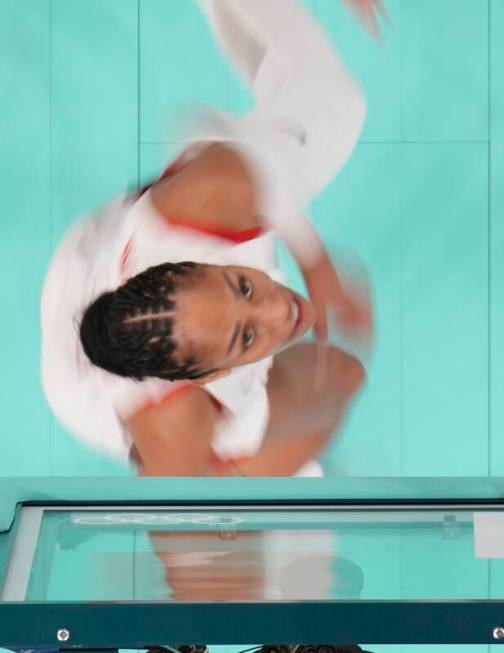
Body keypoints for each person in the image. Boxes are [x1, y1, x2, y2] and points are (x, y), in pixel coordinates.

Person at [40, 0, 383, 478]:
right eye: (245, 336)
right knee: (343, 379)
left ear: (204, 262)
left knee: (340, 103)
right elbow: (172, 528)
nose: (279, 310)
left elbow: (219, 143)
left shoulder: (203, 200)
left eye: (242, 285)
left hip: (87, 267)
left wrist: (317, 264)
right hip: (119, 410)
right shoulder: (177, 421)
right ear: (212, 376)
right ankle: (238, 472)